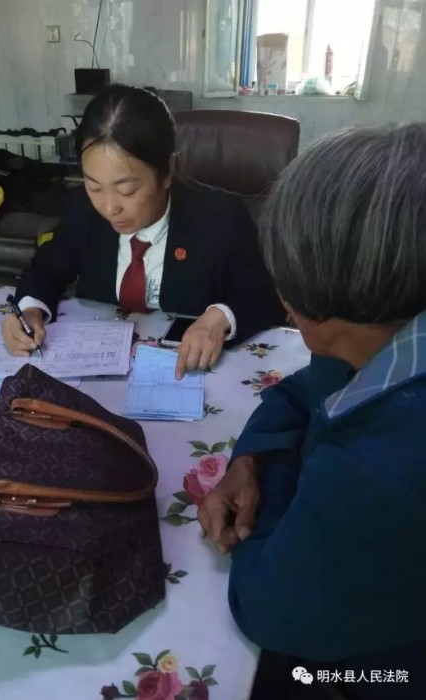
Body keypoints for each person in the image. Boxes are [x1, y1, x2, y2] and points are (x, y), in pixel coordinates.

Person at [199, 124, 426, 699]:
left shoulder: (380, 467)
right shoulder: (388, 335)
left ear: (302, 310)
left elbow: (269, 609)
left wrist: (274, 474)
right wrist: (250, 459)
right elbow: (302, 391)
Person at [2, 84, 284, 378]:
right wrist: (29, 310)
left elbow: (263, 295)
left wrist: (220, 318)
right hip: (98, 374)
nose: (109, 208)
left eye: (127, 190)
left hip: (185, 373)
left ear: (168, 171)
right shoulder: (82, 209)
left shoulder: (220, 216)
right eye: (94, 186)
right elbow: (46, 270)